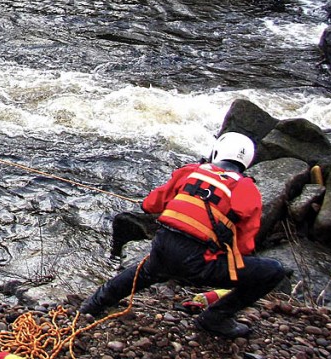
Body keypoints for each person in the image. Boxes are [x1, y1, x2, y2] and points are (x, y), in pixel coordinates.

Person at [79, 132, 287, 338]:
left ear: (217, 152)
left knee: (147, 271)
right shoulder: (248, 189)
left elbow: (151, 205)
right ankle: (215, 318)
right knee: (273, 271)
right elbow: (245, 246)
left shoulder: (191, 171)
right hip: (200, 264)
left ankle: (93, 305)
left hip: (163, 249)